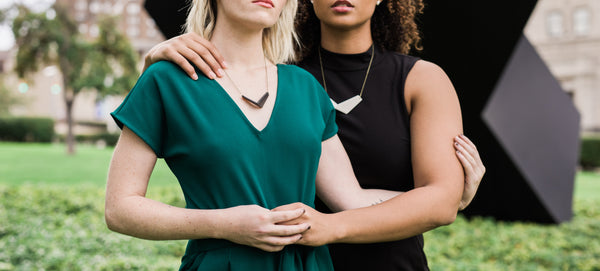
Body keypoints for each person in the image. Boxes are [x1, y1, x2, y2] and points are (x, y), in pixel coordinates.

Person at [106, 0, 482, 270]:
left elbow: (352, 198)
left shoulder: (305, 88)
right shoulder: (165, 79)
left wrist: (446, 198)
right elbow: (120, 208)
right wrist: (224, 224)